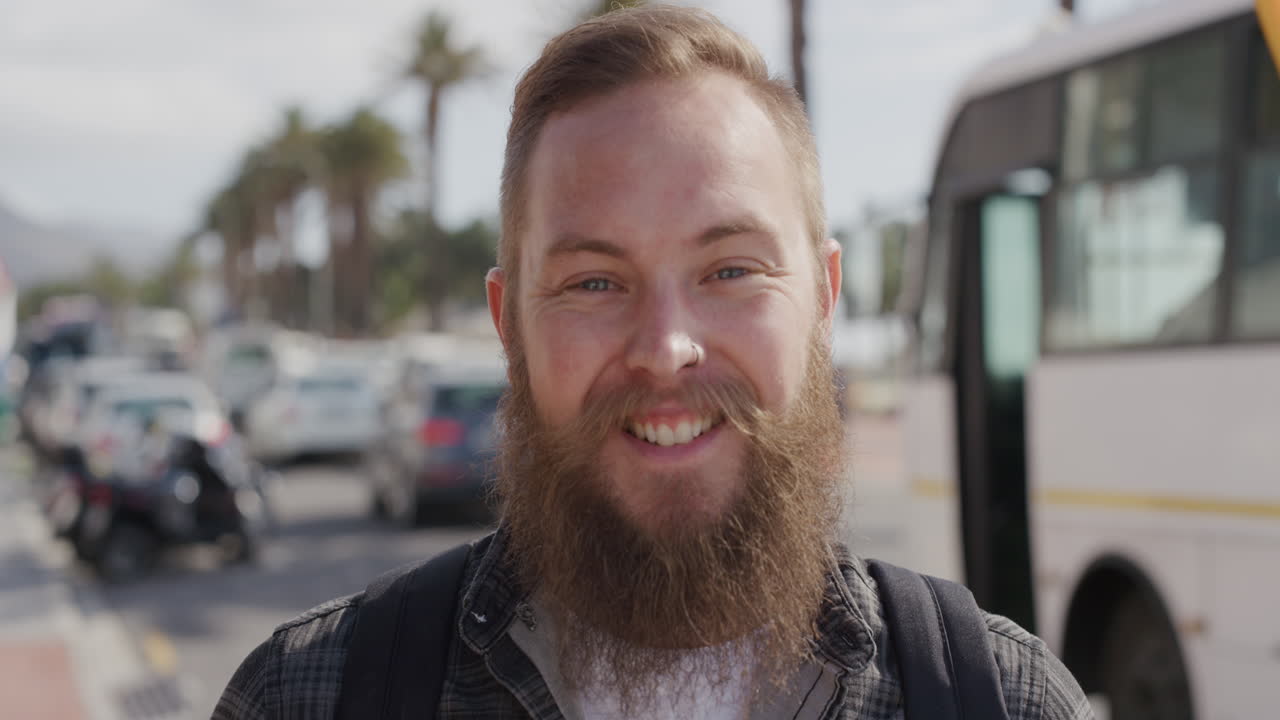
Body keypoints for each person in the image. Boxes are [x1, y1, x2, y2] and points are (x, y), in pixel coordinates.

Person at [214, 6, 1092, 719]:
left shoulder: (1004, 700)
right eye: (595, 282)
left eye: (732, 270)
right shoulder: (307, 698)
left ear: (824, 299)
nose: (667, 347)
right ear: (509, 323)